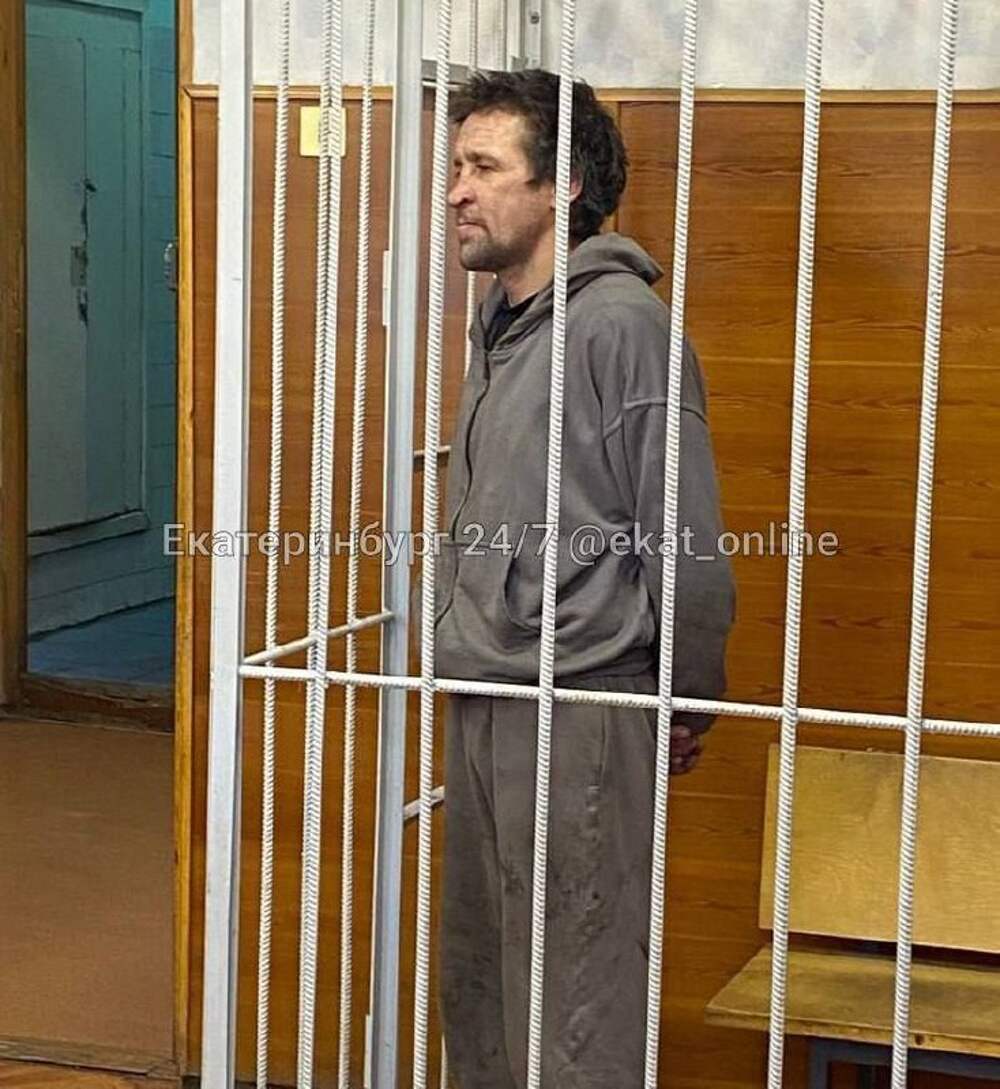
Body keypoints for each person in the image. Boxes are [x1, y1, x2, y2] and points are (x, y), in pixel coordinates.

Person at [421, 69, 736, 1089]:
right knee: (481, 978)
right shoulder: (504, 320)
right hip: (486, 686)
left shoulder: (620, 325)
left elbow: (684, 532)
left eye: (483, 166)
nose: (457, 190)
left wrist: (682, 696)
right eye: (456, 165)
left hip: (584, 699)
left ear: (561, 187)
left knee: (577, 997)